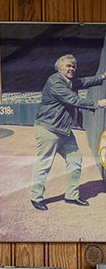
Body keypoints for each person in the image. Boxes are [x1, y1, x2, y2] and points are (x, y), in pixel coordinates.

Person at [29, 53, 106, 211]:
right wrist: (97, 103)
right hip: (48, 129)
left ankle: (71, 195)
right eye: (68, 66)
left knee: (75, 161)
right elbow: (74, 100)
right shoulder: (56, 81)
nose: (72, 68)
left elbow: (84, 81)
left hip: (64, 131)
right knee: (43, 165)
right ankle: (35, 197)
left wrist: (102, 77)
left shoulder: (70, 81)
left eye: (73, 66)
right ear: (59, 68)